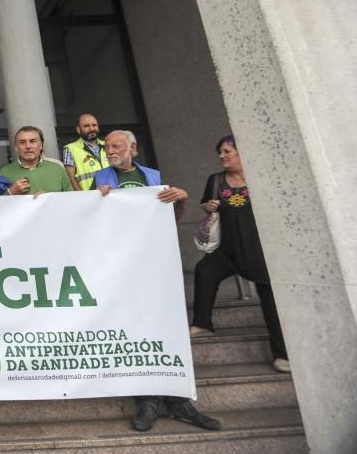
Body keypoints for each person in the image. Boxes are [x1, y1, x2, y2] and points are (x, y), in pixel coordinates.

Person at [94, 130, 220, 433]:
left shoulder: (152, 176)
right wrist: (97, 201)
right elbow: (94, 222)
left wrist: (183, 199)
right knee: (135, 328)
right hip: (122, 265)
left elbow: (168, 220)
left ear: (132, 149)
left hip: (155, 262)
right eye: (108, 147)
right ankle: (147, 401)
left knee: (166, 326)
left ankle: (179, 401)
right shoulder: (100, 179)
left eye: (116, 146)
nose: (110, 150)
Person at [191, 135, 289, 373]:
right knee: (205, 270)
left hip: (260, 251)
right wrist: (208, 207)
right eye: (220, 153)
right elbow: (206, 203)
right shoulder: (215, 181)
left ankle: (282, 354)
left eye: (227, 152)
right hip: (229, 250)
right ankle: (203, 324)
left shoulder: (261, 179)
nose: (222, 156)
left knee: (271, 303)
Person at [0, 126, 72, 195]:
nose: (28, 146)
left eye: (32, 141)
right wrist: (10, 192)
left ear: (41, 145)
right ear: (16, 147)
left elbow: (70, 200)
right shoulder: (4, 173)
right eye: (22, 142)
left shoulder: (57, 169)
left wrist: (48, 199)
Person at [62, 113, 108, 191]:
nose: (92, 129)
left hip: (113, 195)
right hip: (90, 198)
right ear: (78, 129)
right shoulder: (70, 149)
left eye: (94, 125)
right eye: (86, 126)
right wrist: (82, 198)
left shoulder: (108, 145)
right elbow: (71, 179)